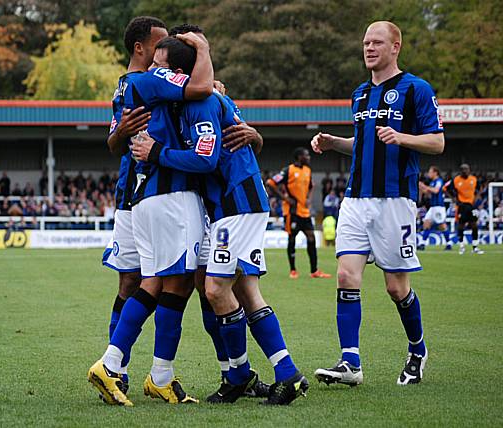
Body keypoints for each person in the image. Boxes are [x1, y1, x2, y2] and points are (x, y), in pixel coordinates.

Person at [131, 36, 308, 406]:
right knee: (243, 291)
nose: (150, 72)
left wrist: (156, 151)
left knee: (214, 290)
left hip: (237, 204)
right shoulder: (197, 99)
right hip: (225, 207)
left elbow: (207, 160)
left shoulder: (204, 102)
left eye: (158, 66)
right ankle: (278, 372)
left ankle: (244, 374)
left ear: (178, 74)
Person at [88, 16, 214, 407]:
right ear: (142, 48)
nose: (166, 52)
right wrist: (204, 51)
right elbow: (200, 87)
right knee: (151, 283)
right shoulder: (152, 80)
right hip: (157, 193)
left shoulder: (133, 86)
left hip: (146, 194)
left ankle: (157, 375)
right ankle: (114, 366)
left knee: (170, 282)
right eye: (161, 45)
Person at [310, 21, 444, 386]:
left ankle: (417, 349)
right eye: (366, 41)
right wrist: (333, 142)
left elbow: (437, 143)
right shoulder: (358, 94)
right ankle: (350, 363)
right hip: (355, 199)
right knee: (345, 275)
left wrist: (401, 137)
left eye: (377, 42)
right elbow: (365, 142)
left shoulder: (416, 89)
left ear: (395, 46)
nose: (369, 47)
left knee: (395, 288)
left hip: (394, 199)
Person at [267, 147, 331, 279]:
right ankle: (293, 270)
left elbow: (311, 186)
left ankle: (314, 270)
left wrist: (309, 198)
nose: (309, 157)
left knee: (311, 238)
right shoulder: (288, 170)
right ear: (299, 157)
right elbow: (271, 182)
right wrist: (285, 198)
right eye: (306, 155)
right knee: (292, 238)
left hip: (305, 211)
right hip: (292, 211)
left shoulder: (308, 170)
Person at [443, 163, 484, 254]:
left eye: (467, 169)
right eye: (463, 169)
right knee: (461, 226)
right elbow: (445, 188)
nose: (465, 171)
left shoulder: (473, 179)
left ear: (469, 170)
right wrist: (453, 198)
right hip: (461, 206)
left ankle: (475, 247)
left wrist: (476, 197)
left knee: (474, 225)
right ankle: (462, 246)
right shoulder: (456, 180)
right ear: (460, 171)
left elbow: (480, 188)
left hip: (471, 206)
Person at [418, 166, 452, 250]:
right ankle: (422, 244)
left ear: (435, 173)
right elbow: (429, 193)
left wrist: (424, 186)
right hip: (433, 207)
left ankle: (449, 244)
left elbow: (436, 191)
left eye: (430, 172)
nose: (428, 174)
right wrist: (421, 187)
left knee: (442, 225)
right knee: (426, 222)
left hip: (438, 207)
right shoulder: (432, 182)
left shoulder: (439, 181)